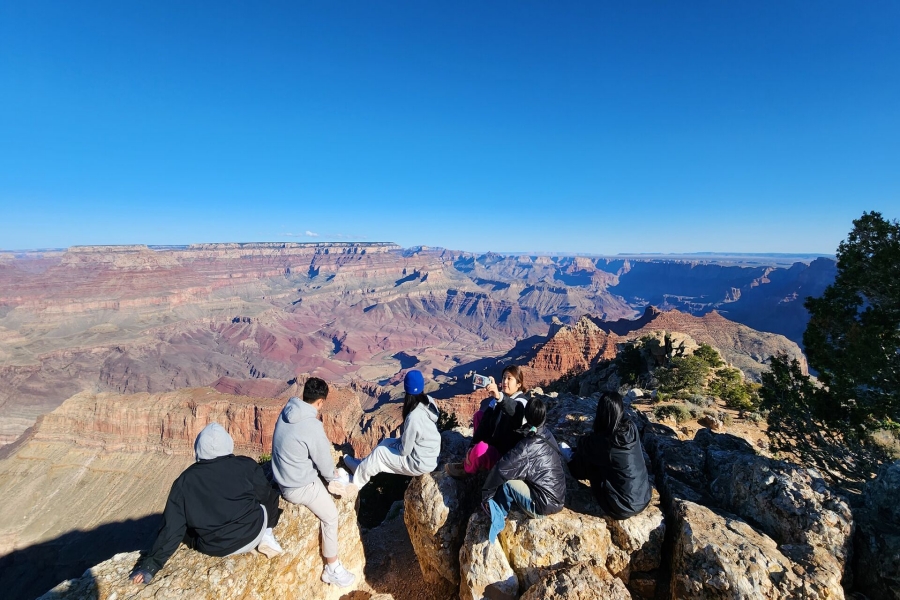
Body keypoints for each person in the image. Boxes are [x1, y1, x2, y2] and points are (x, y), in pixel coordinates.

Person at [130, 423, 283, 584]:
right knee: (268, 495)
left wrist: (150, 565)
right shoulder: (245, 465)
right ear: (228, 443)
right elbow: (267, 495)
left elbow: (171, 529)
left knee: (184, 527)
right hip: (252, 535)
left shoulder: (184, 481)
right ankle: (267, 534)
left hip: (215, 548)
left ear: (198, 447)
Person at [271, 377, 356, 588]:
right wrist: (335, 479)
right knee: (331, 516)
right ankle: (332, 568)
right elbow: (324, 463)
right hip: (298, 486)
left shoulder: (288, 410)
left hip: (281, 476)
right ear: (320, 401)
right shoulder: (312, 425)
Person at [338, 369, 441, 493]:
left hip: (420, 463)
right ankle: (361, 467)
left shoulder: (414, 416)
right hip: (429, 455)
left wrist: (396, 445)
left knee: (380, 453)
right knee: (386, 442)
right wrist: (394, 443)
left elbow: (405, 450)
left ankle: (355, 484)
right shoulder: (429, 400)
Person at [481, 398, 566, 543]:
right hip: (558, 496)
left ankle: (499, 514)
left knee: (508, 484)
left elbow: (502, 469)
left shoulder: (528, 446)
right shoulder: (547, 434)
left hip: (543, 505)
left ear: (527, 415)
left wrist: (486, 495)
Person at [567, 391, 652, 520]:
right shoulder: (631, 428)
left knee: (590, 460)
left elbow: (583, 444)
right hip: (643, 496)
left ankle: (570, 464)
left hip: (621, 506)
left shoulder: (606, 443)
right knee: (600, 458)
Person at [447, 365, 529, 477]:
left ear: (519, 384)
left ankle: (467, 470)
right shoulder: (498, 400)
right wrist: (472, 446)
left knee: (481, 448)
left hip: (506, 456)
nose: (505, 381)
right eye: (504, 378)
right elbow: (484, 423)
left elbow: (513, 409)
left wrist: (499, 397)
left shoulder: (522, 403)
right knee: (479, 416)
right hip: (495, 442)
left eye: (509, 378)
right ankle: (473, 459)